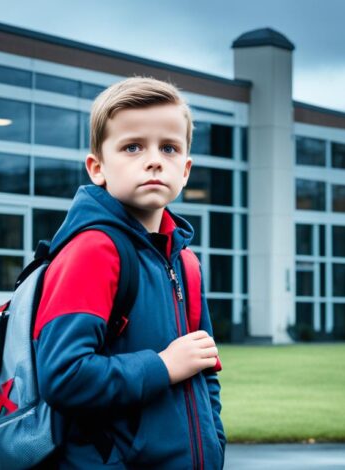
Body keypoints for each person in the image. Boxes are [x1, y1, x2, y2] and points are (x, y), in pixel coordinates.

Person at [33, 76, 225, 469]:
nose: (154, 159)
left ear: (185, 170)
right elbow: (64, 376)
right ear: (97, 168)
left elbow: (204, 368)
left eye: (169, 148)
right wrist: (164, 366)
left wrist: (214, 446)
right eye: (133, 146)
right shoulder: (92, 251)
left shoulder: (186, 261)